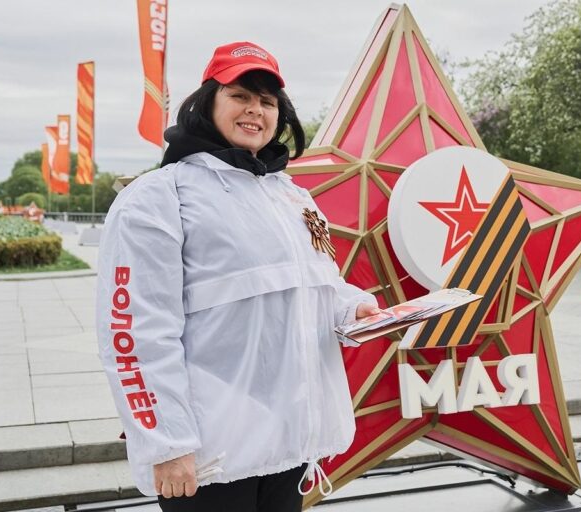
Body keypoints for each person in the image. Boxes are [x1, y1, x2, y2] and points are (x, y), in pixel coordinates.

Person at [96, 41, 380, 511]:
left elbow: (317, 285)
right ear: (207, 103)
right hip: (212, 455)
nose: (255, 110)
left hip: (290, 442)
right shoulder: (159, 197)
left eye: (267, 101)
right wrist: (166, 445)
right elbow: (135, 331)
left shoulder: (291, 196)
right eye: (240, 96)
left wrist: (354, 308)